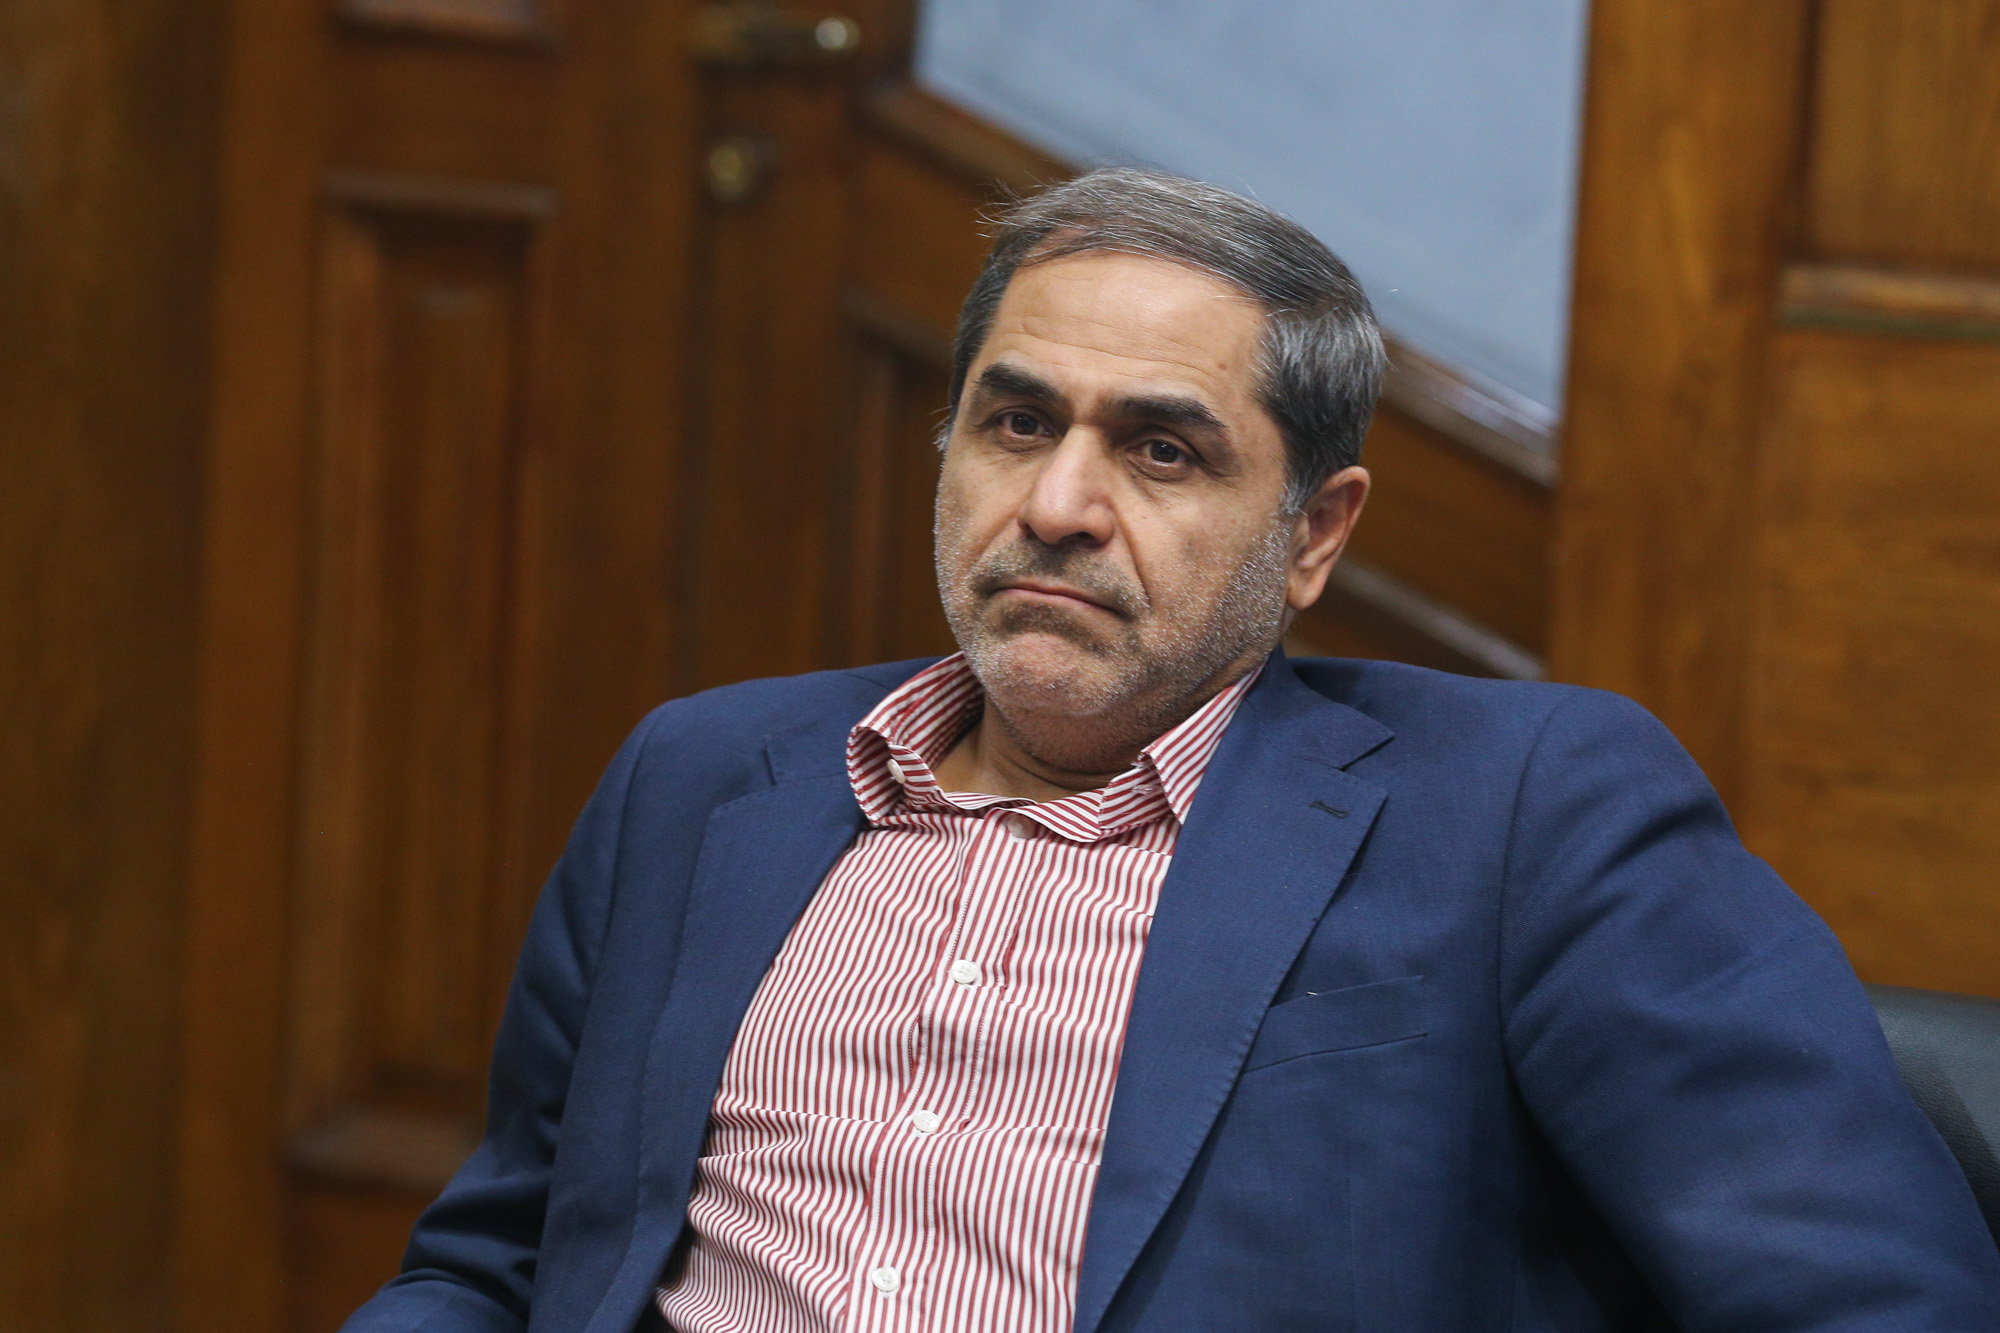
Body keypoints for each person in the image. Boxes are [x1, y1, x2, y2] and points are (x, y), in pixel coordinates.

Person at [342, 168, 2000, 1333]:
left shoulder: (1524, 811)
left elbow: (1866, 1294)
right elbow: (494, 1266)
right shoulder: (702, 777)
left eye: (1161, 450)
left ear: (1314, 533)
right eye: (1017, 423)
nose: (1058, 504)